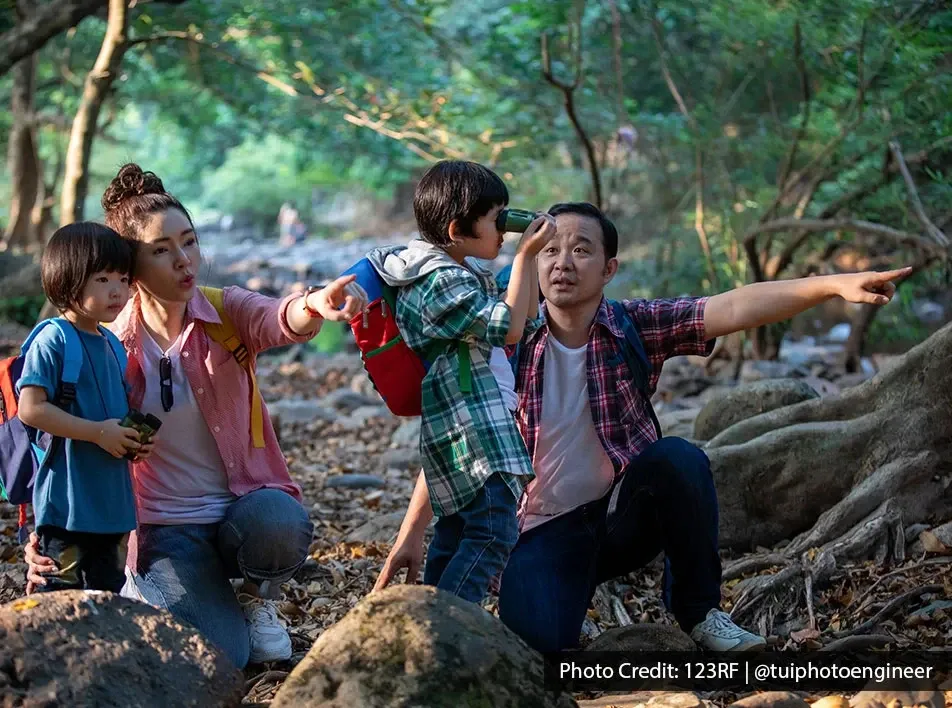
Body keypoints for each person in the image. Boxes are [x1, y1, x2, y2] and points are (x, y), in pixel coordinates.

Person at [374, 201, 909, 652]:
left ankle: (699, 611)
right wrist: (411, 532)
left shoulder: (633, 324)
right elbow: (458, 439)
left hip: (618, 515)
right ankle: (566, 598)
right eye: (550, 249)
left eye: (581, 249)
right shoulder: (500, 340)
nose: (563, 262)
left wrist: (833, 285)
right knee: (540, 647)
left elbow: (730, 306)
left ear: (608, 269)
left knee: (679, 458)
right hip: (538, 531)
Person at [24, 164, 367, 668]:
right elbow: (64, 438)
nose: (184, 261)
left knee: (281, 521)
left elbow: (279, 317)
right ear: (130, 267)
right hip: (163, 528)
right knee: (224, 658)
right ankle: (156, 589)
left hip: (241, 507)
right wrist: (46, 529)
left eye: (189, 242)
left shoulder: (225, 311)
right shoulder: (109, 345)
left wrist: (317, 304)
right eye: (161, 251)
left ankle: (255, 596)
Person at [367, 160, 556, 603]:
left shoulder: (459, 273)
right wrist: (525, 255)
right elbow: (507, 329)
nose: (504, 229)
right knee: (493, 530)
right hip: (468, 423)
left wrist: (526, 259)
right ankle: (448, 626)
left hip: (469, 418)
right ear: (456, 229)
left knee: (454, 531)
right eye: (496, 219)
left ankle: (428, 617)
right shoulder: (438, 281)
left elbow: (523, 321)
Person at [17, 222, 152, 593]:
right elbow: (31, 408)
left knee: (107, 591)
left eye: (124, 279)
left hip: (111, 504)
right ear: (68, 280)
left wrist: (130, 440)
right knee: (57, 590)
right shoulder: (53, 338)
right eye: (103, 279)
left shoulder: (111, 343)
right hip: (67, 500)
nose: (118, 291)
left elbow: (114, 412)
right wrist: (98, 432)